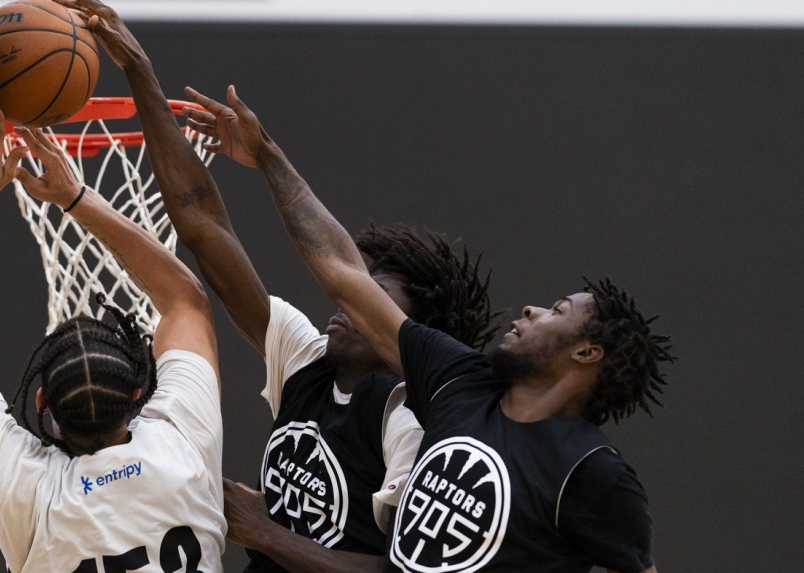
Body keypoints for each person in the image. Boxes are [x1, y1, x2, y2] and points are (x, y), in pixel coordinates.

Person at [57, 2, 498, 571]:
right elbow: (203, 226)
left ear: (412, 330)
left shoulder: (406, 420)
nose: (345, 300)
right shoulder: (306, 358)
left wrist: (266, 533)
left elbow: (405, 570)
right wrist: (140, 71)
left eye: (372, 293)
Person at [182, 85, 674, 573]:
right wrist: (268, 155)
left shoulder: (593, 471)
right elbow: (343, 274)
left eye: (557, 310)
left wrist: (267, 534)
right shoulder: (459, 383)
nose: (531, 310)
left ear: (588, 353)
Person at [0, 108, 225, 572]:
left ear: (43, 402)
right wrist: (74, 197)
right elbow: (186, 301)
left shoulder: (31, 493)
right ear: (140, 392)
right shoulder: (182, 447)